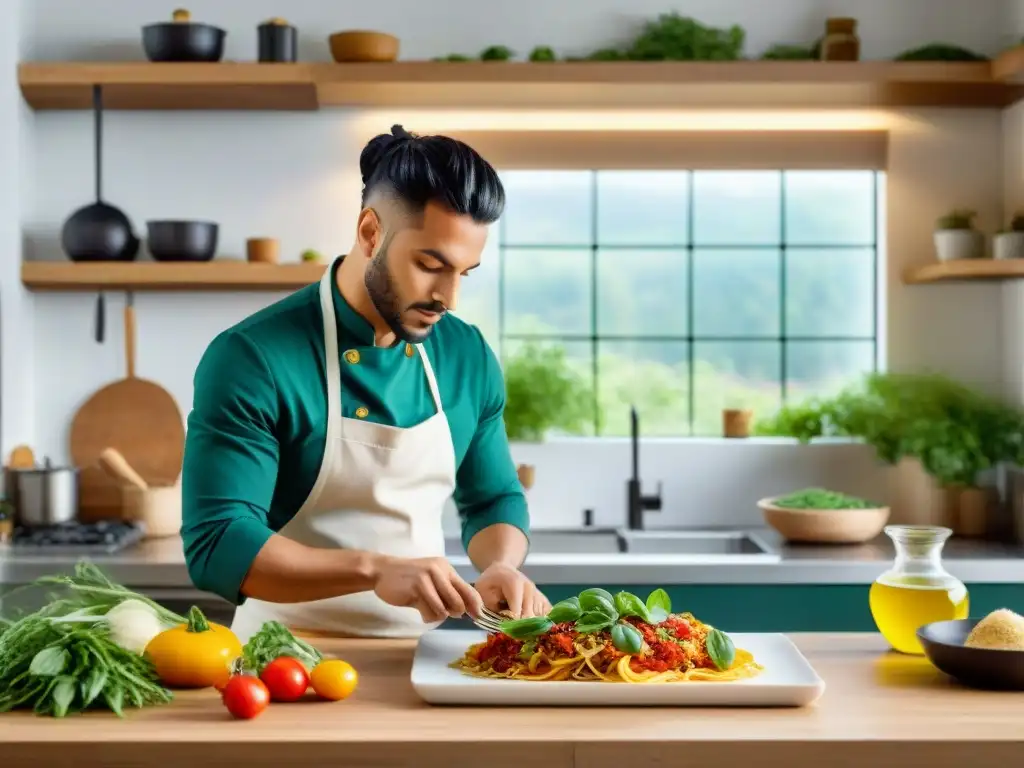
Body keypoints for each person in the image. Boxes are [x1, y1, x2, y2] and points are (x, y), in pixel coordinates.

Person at [180, 124, 550, 642]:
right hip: (282, 660)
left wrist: (501, 566)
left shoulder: (466, 355)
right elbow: (218, 543)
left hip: (422, 658)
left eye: (464, 273)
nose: (448, 297)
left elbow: (491, 499)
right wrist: (375, 571)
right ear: (370, 233)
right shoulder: (252, 357)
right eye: (429, 265)